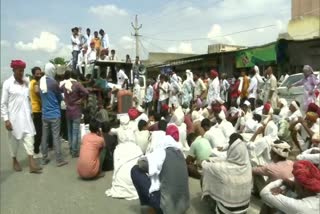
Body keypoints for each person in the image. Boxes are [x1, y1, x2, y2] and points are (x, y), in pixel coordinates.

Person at [131, 125, 190, 214]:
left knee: (135, 170)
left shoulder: (162, 152)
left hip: (167, 209)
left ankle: (147, 208)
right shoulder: (181, 154)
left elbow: (142, 164)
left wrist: (146, 158)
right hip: (184, 206)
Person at [1, 60, 42, 173]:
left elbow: (30, 96)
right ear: (14, 70)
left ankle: (32, 164)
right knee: (14, 143)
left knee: (30, 139)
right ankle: (14, 160)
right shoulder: (7, 83)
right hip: (13, 120)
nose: (21, 73)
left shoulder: (26, 82)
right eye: (19, 71)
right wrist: (6, 119)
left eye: (23, 71)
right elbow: (3, 104)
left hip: (27, 118)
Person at [202, 133, 252, 214]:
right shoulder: (247, 165)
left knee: (208, 175)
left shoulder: (224, 168)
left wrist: (206, 160)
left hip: (227, 209)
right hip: (244, 207)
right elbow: (226, 160)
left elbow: (205, 165)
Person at [106, 115, 143, 200]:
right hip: (133, 149)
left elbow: (110, 131)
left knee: (117, 156)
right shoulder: (133, 128)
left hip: (121, 149)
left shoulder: (118, 130)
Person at [39, 62, 68, 167]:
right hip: (55, 114)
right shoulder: (54, 83)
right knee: (56, 137)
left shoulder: (40, 82)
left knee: (44, 136)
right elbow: (60, 97)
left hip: (45, 114)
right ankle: (59, 159)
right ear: (51, 71)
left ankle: (44, 158)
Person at [61, 71, 89, 157]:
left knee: (69, 131)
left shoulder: (65, 85)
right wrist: (82, 99)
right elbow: (86, 92)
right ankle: (74, 151)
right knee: (75, 132)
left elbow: (59, 90)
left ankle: (70, 149)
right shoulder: (77, 84)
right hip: (76, 110)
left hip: (68, 111)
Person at [29, 66, 43, 159]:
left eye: (40, 73)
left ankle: (35, 149)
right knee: (39, 132)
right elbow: (37, 92)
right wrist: (43, 98)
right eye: (37, 74)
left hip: (33, 109)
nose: (39, 75)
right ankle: (36, 151)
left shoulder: (31, 82)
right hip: (37, 109)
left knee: (36, 131)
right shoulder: (35, 83)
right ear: (33, 74)